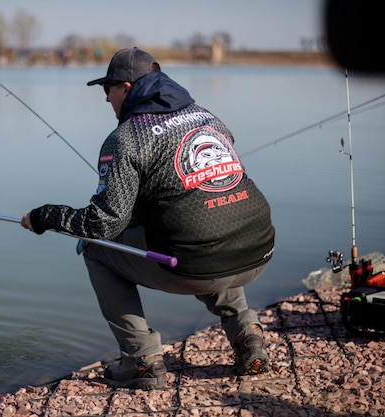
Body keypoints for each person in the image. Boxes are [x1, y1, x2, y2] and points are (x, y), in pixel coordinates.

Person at [20, 47, 275, 390]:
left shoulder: (126, 137)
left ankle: (141, 360)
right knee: (203, 225)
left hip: (194, 264)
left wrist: (44, 217)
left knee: (94, 247)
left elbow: (103, 224)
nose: (106, 98)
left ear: (125, 87)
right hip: (258, 251)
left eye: (106, 89)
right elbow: (215, 163)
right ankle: (247, 332)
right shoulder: (207, 116)